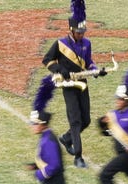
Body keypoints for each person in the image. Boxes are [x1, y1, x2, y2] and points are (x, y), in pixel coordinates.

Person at [42, 2, 107, 169]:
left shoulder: (87, 43)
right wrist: (60, 69)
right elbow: (47, 60)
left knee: (86, 119)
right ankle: (78, 156)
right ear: (71, 30)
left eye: (83, 32)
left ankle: (66, 138)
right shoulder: (60, 43)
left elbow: (89, 62)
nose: (81, 35)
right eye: (78, 32)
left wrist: (96, 70)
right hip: (68, 84)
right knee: (76, 121)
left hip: (82, 82)